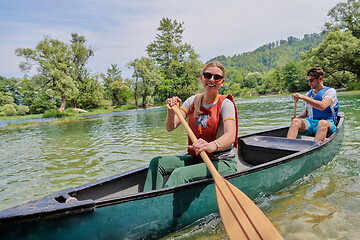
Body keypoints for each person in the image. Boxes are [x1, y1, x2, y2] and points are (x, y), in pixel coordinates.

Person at [143, 61, 238, 191]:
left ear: (222, 82)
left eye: (217, 77)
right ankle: (148, 201)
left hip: (222, 161)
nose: (211, 80)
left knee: (179, 174)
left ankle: (161, 206)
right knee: (157, 162)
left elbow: (231, 135)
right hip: (197, 158)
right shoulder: (192, 101)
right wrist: (171, 112)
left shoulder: (226, 104)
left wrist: (211, 146)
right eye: (208, 75)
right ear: (201, 78)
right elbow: (170, 127)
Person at [287, 67, 339, 141]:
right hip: (311, 123)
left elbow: (322, 106)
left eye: (311, 80)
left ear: (320, 79)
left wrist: (304, 97)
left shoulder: (330, 91)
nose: (309, 83)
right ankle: (288, 146)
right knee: (295, 121)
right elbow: (307, 112)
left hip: (327, 123)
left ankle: (315, 149)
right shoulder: (309, 93)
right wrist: (297, 117)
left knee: (322, 123)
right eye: (308, 81)